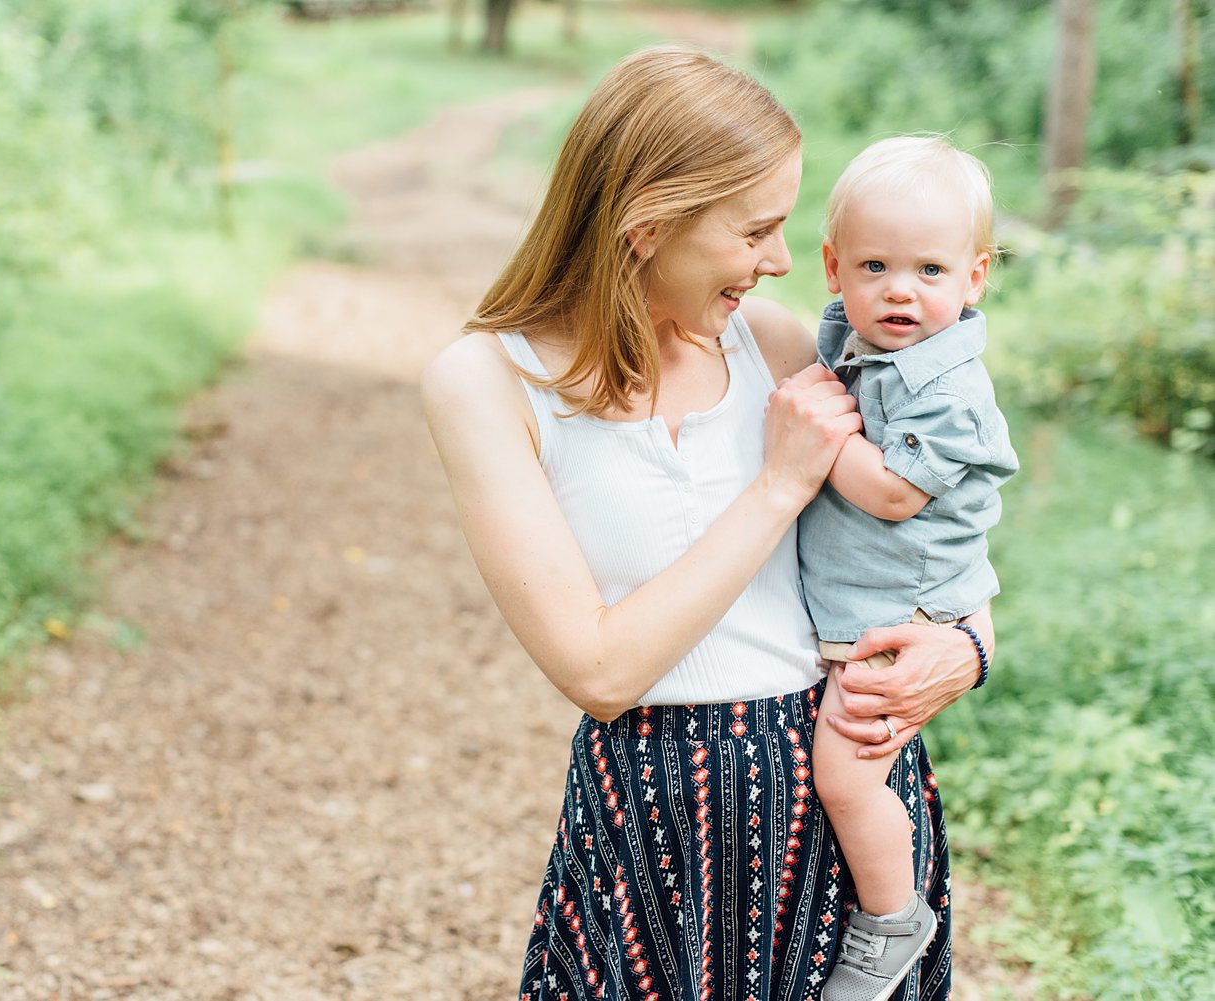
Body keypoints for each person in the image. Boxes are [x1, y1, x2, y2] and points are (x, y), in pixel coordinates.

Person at [421, 47, 991, 1001]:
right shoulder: (486, 382)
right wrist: (776, 485)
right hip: (658, 807)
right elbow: (599, 672)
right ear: (648, 225)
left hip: (836, 776)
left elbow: (935, 530)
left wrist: (969, 648)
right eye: (757, 230)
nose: (778, 260)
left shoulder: (772, 343)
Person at [799, 136, 1017, 1001]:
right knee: (851, 762)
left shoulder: (951, 386)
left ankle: (891, 920)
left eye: (930, 269)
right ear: (833, 267)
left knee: (845, 771)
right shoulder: (852, 342)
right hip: (868, 595)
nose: (900, 289)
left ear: (974, 277)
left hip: (907, 609)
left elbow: (894, 495)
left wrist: (822, 436)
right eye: (875, 264)